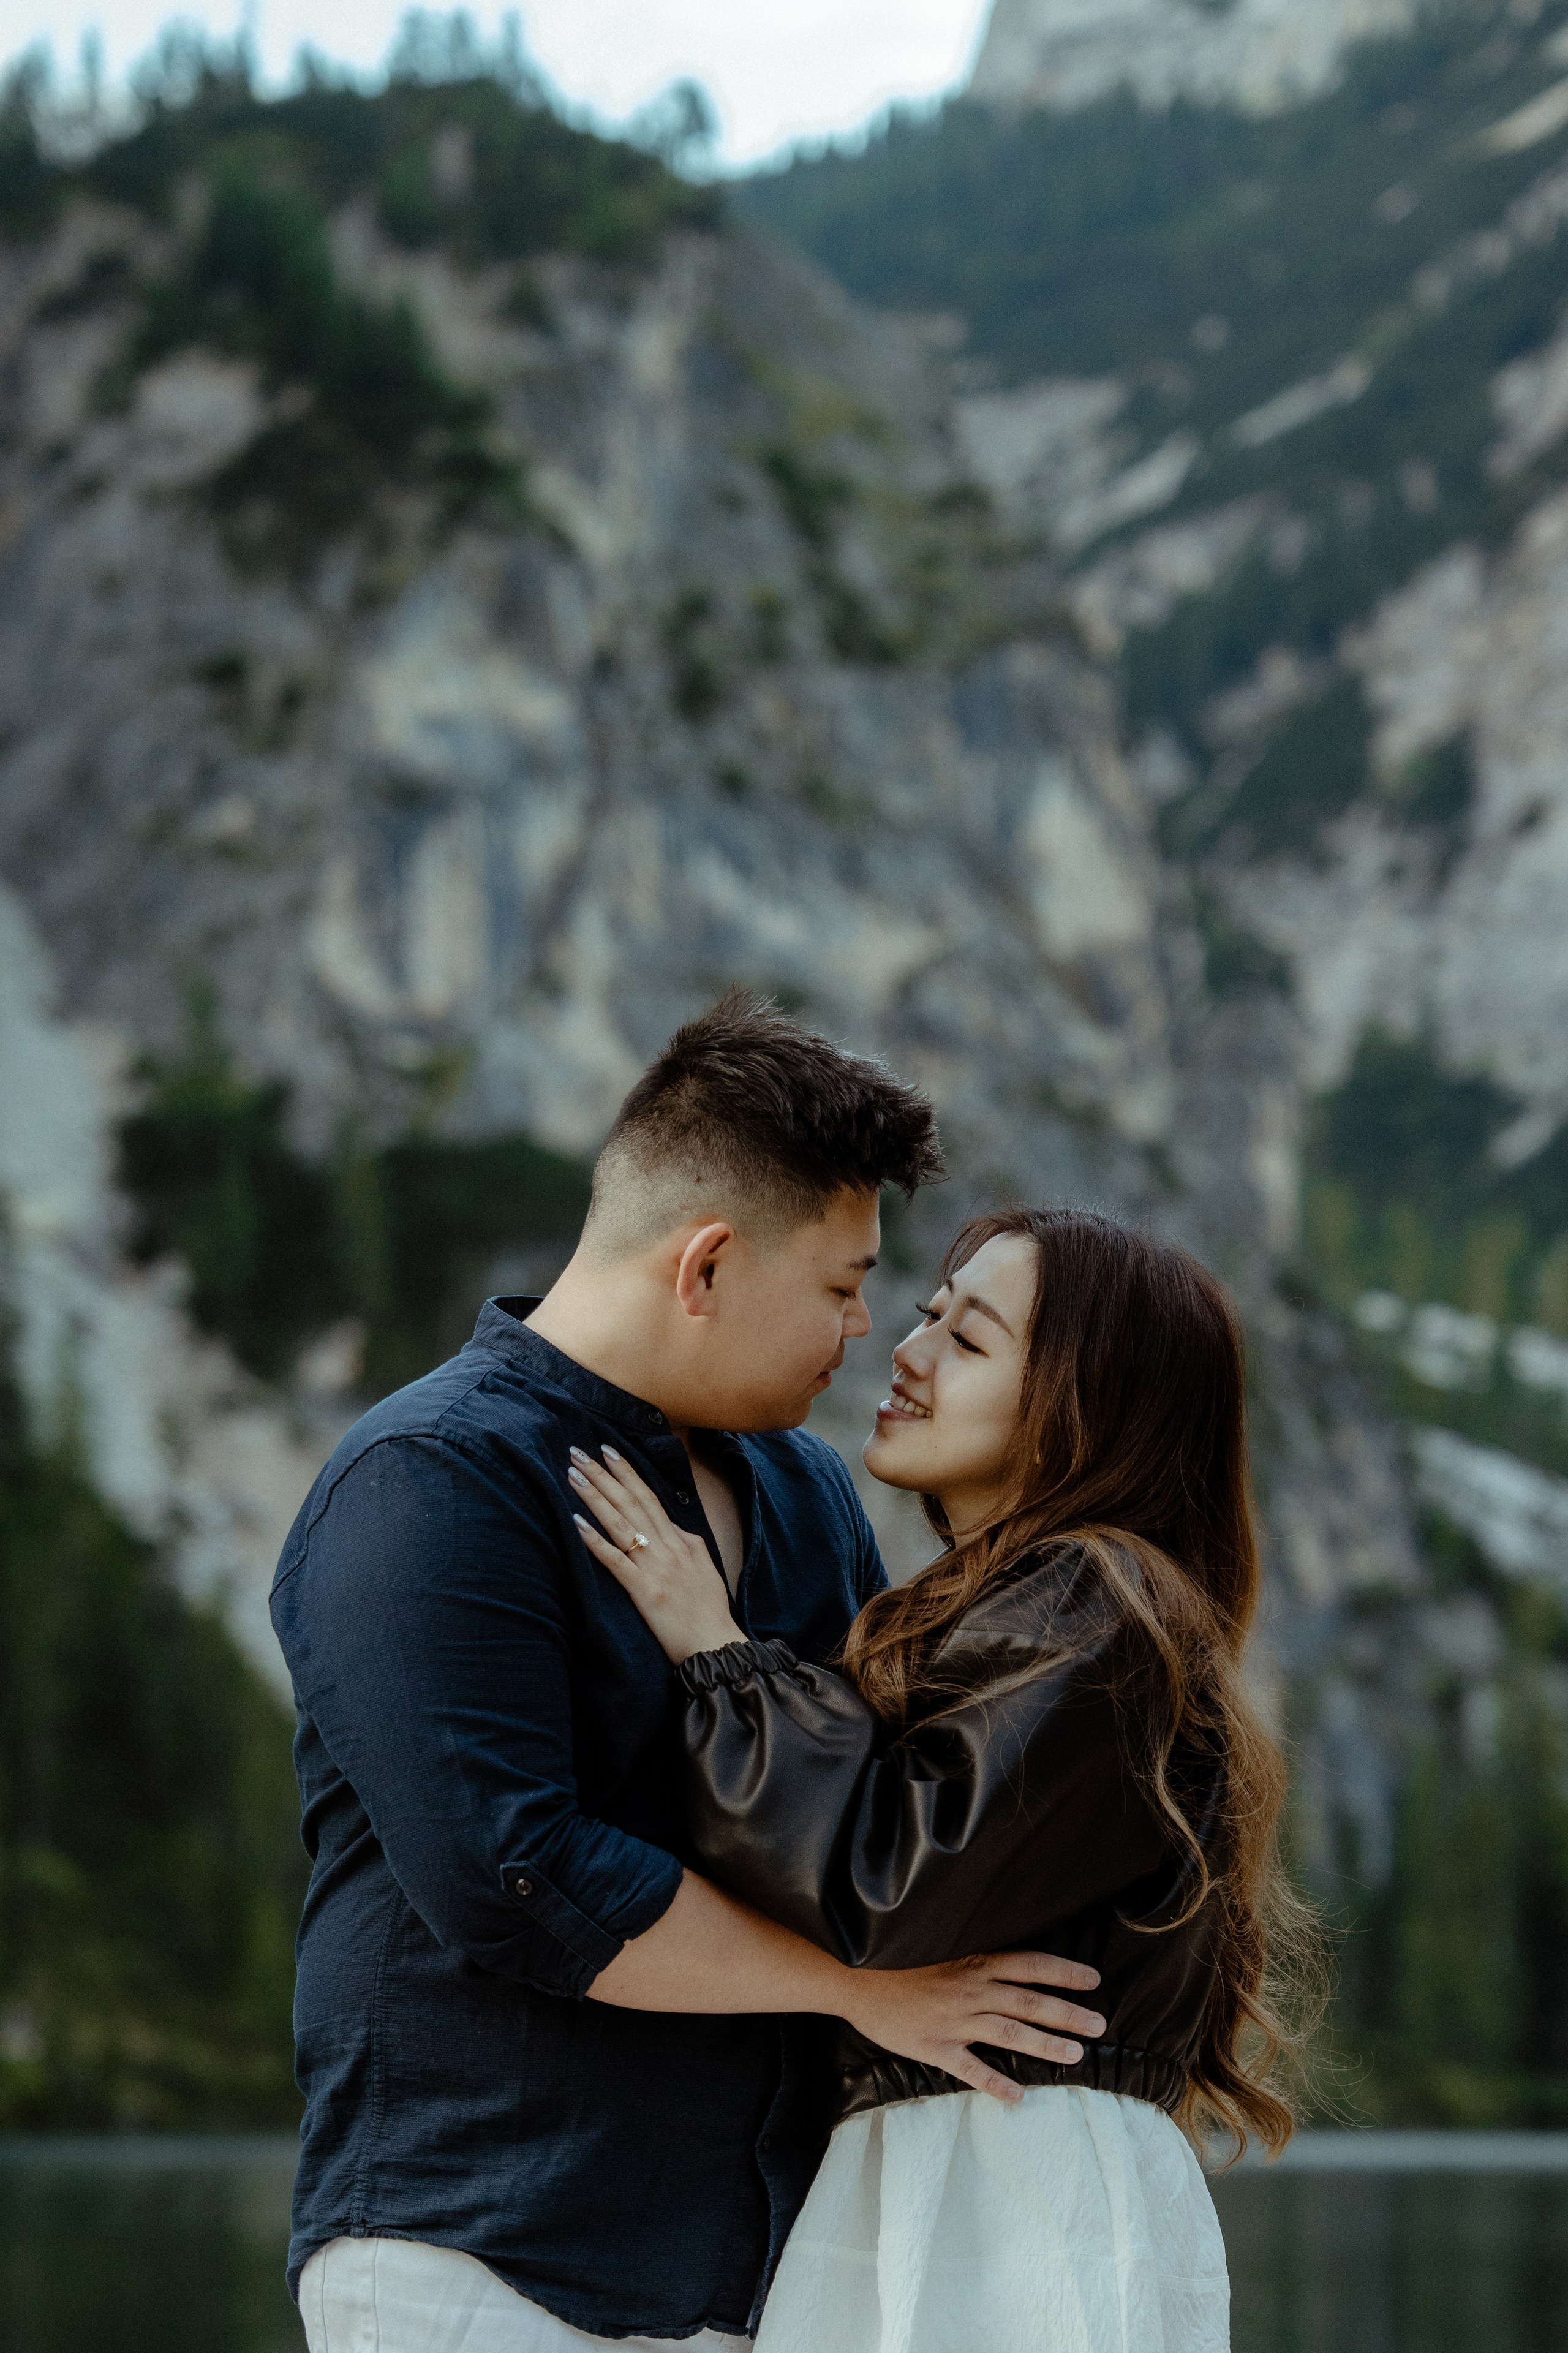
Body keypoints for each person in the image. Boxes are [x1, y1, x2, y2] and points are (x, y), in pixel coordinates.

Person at [270, 994, 1104, 2352]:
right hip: (486, 2253)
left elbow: (858, 1810)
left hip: (759, 2270)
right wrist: (860, 1994)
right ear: (705, 1265)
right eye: (840, 1286)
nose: (862, 1333)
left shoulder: (805, 1491)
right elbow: (515, 1878)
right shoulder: (429, 1481)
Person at [573, 1206, 1325, 2353]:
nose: (906, 1353)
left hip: (1009, 2180)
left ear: (1086, 1405)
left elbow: (892, 1884)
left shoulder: (1099, 1600)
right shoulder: (1037, 1606)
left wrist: (717, 1652)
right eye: (928, 1315)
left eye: (968, 1342)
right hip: (962, 2168)